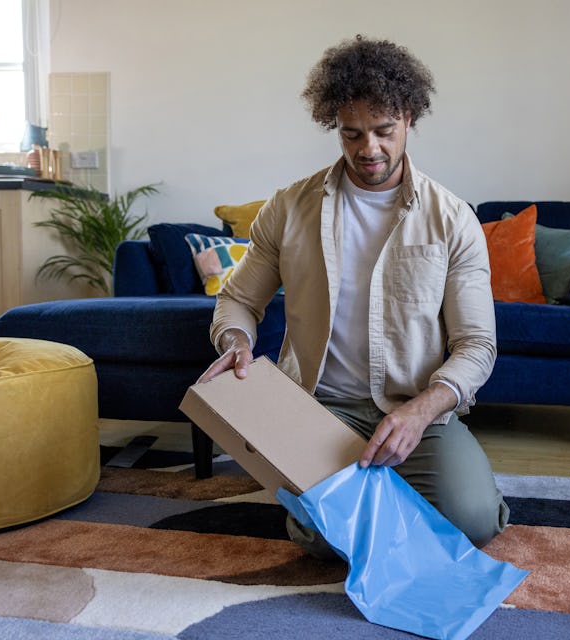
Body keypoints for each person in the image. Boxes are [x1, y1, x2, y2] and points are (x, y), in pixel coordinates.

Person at [199, 35, 508, 558]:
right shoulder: (288, 208)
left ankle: (379, 501)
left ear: (409, 118)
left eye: (384, 131)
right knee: (318, 541)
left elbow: (477, 344)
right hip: (318, 408)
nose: (370, 149)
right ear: (335, 127)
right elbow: (237, 302)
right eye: (353, 134)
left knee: (476, 521)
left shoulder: (454, 219)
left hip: (415, 410)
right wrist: (234, 340)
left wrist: (421, 412)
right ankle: (361, 505)